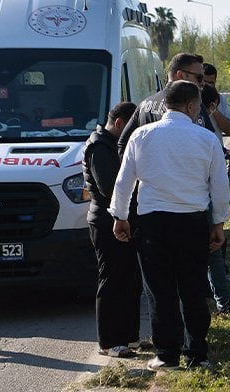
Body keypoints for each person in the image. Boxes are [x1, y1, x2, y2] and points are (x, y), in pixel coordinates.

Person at [110, 81, 229, 371]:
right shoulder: (206, 139)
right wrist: (219, 223)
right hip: (193, 222)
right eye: (198, 106)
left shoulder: (141, 135)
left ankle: (167, 354)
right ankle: (197, 353)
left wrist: (120, 216)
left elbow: (124, 181)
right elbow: (220, 186)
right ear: (190, 106)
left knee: (160, 291)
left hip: (153, 224)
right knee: (193, 289)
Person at [84, 101, 141, 358]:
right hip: (106, 220)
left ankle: (129, 337)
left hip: (123, 217)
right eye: (130, 129)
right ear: (119, 124)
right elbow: (109, 187)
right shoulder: (99, 146)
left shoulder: (112, 144)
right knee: (111, 280)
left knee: (130, 279)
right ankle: (109, 342)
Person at [198, 84, 230, 315]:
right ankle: (221, 301)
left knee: (209, 252)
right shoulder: (203, 135)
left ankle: (216, 298)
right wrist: (219, 221)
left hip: (185, 199)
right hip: (201, 197)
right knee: (212, 249)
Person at [118, 52, 205, 154]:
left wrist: (135, 168)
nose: (203, 83)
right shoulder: (189, 105)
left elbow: (123, 143)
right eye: (199, 78)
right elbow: (203, 143)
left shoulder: (145, 104)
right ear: (180, 75)